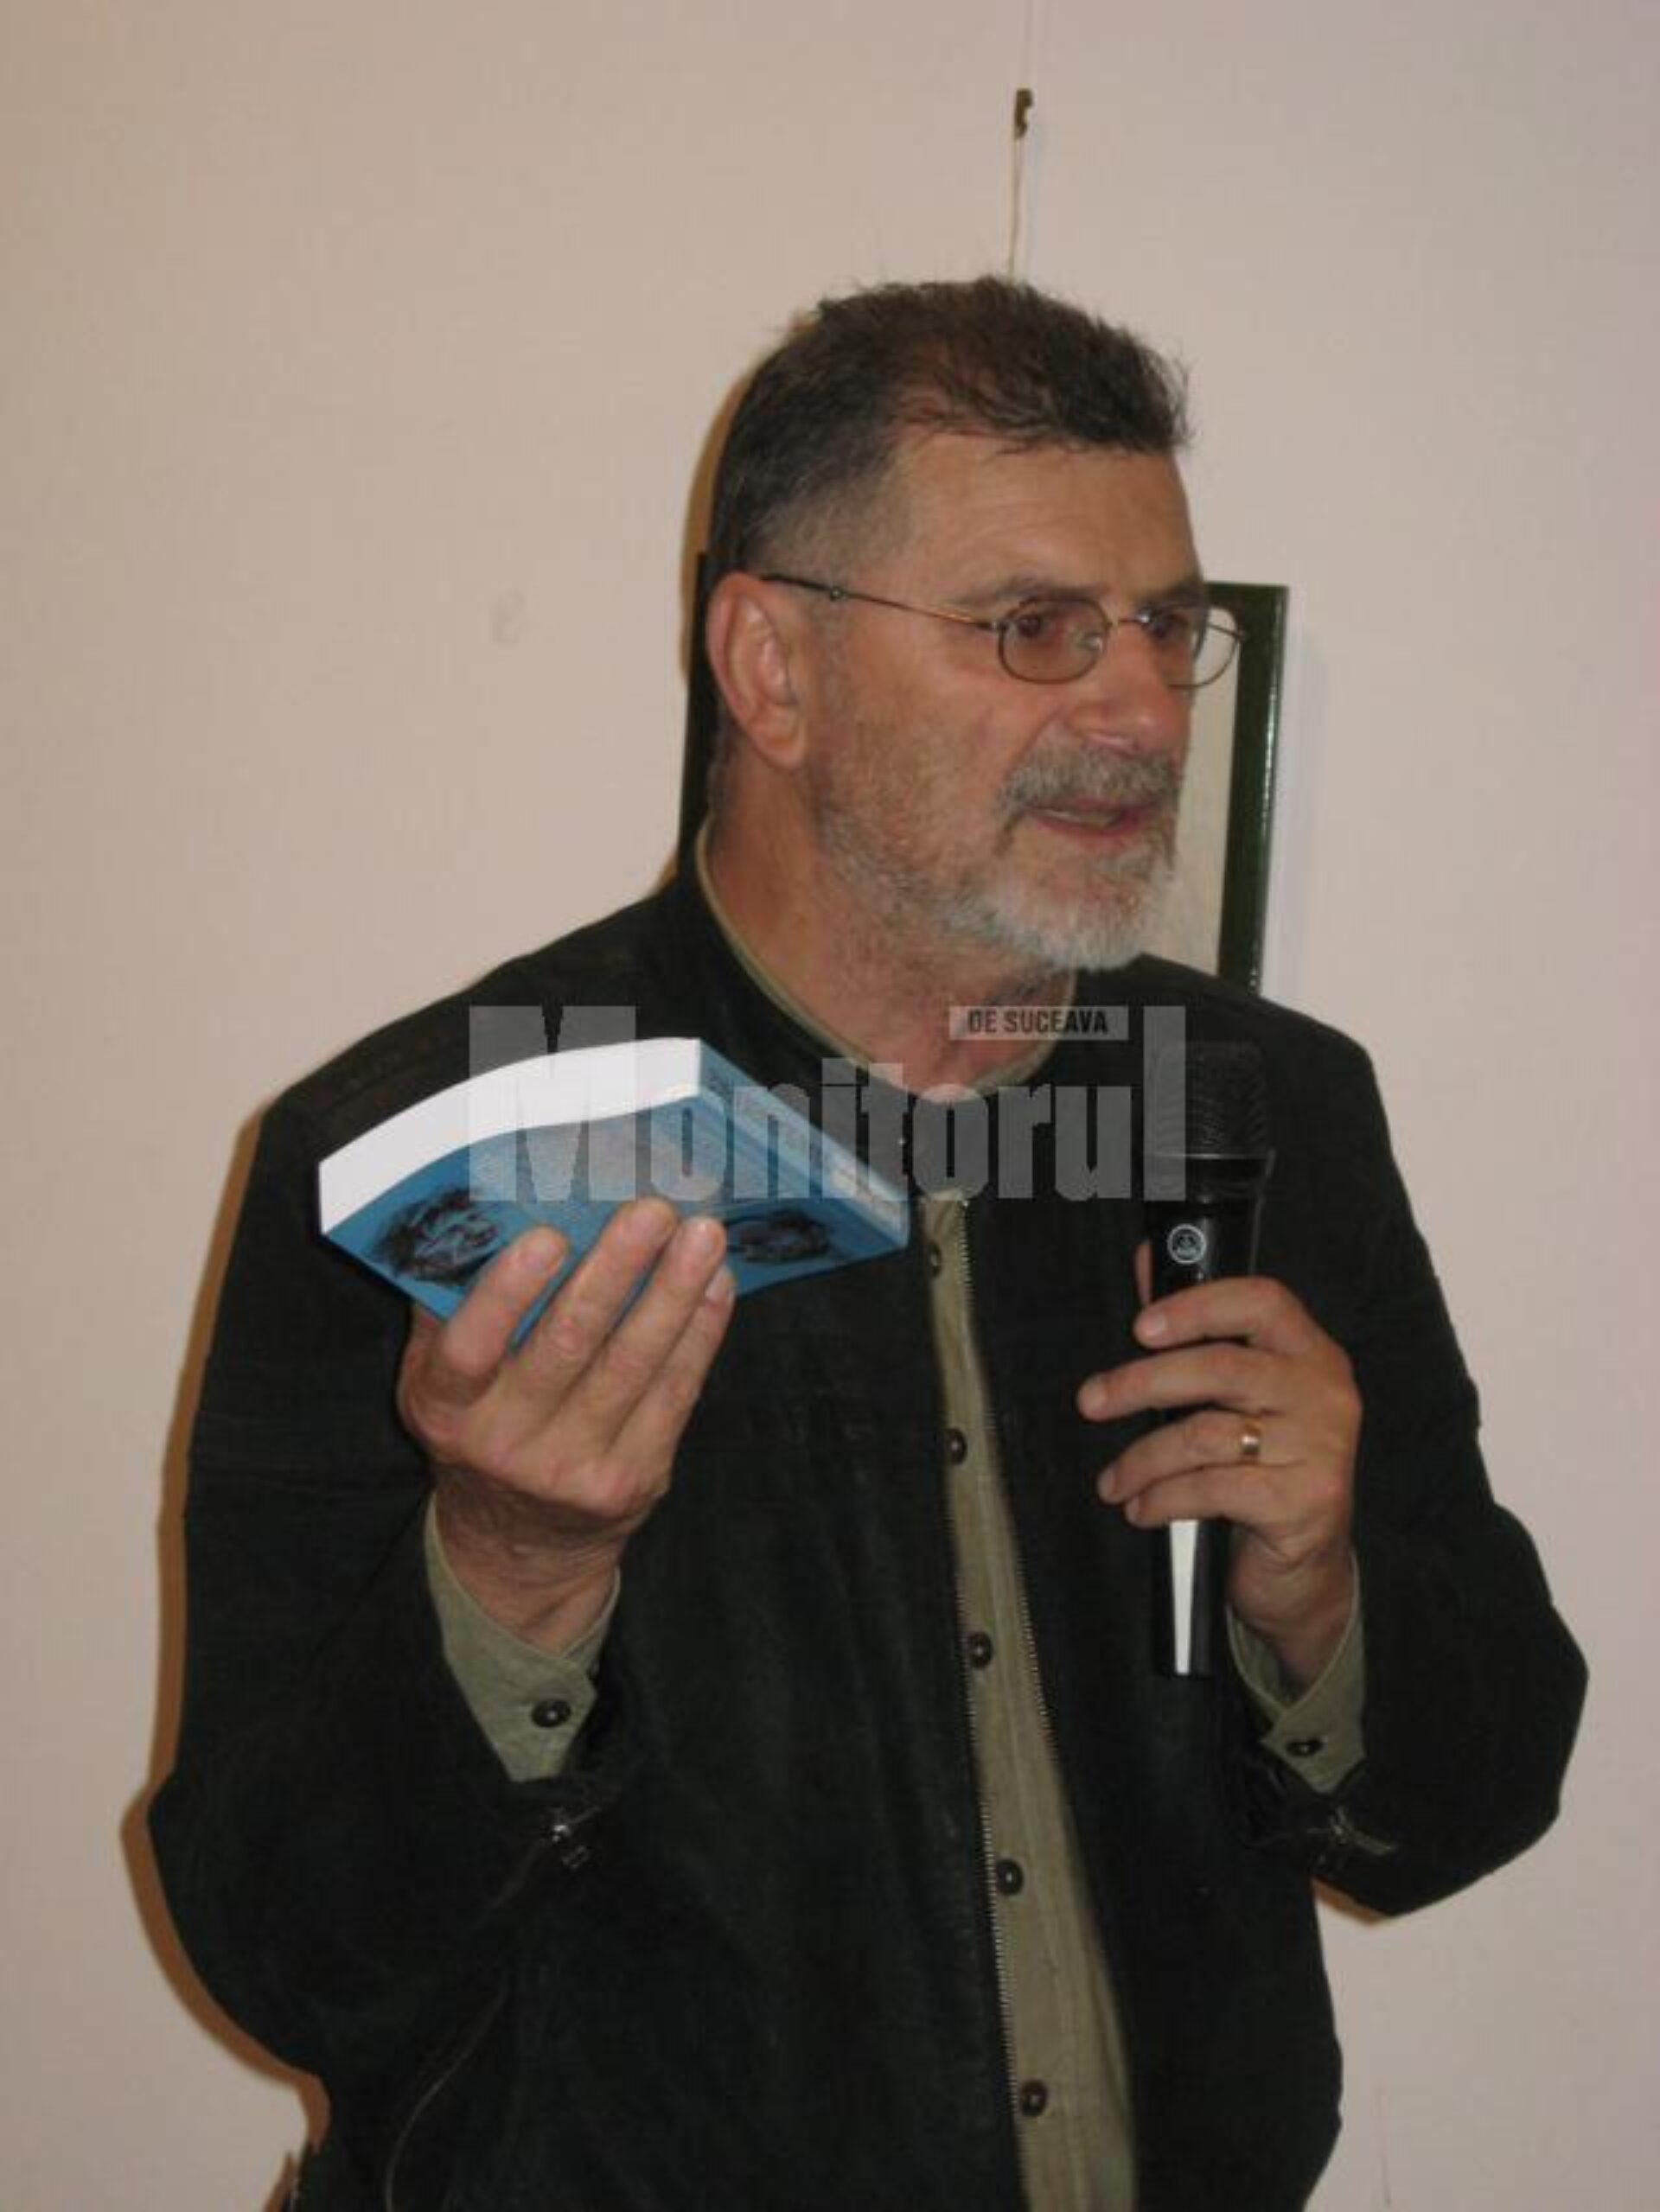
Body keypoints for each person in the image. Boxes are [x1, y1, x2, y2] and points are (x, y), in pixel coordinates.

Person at [150, 278, 1585, 2212]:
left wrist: (1322, 1595)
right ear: (772, 668)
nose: (1136, 710)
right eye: (1035, 627)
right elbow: (279, 1941)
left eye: (1166, 628)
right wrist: (507, 1568)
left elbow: (1476, 1798)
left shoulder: (1271, 1108)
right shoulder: (427, 1153)